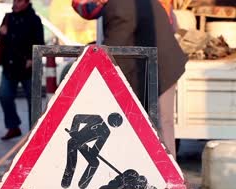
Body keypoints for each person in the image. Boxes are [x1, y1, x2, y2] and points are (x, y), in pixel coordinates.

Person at [72, 0, 187, 159]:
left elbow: (115, 51)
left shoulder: (119, 6)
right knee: (162, 121)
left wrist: (95, 79)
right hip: (163, 62)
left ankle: (167, 174)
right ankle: (169, 170)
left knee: (158, 121)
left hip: (161, 68)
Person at [0, 0, 44, 140]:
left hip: (27, 67)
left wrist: (31, 58)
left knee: (33, 100)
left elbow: (40, 42)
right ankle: (13, 127)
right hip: (9, 66)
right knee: (5, 96)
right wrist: (1, 32)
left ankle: (33, 132)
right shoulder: (8, 17)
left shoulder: (34, 19)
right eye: (14, 1)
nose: (15, 3)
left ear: (26, 2)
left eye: (19, 1)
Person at [62, 113, 122, 189]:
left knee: (95, 163)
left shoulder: (106, 132)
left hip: (82, 146)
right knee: (72, 162)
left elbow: (95, 151)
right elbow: (77, 118)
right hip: (74, 141)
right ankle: (66, 181)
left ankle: (83, 184)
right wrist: (74, 131)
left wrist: (85, 147)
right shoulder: (97, 118)